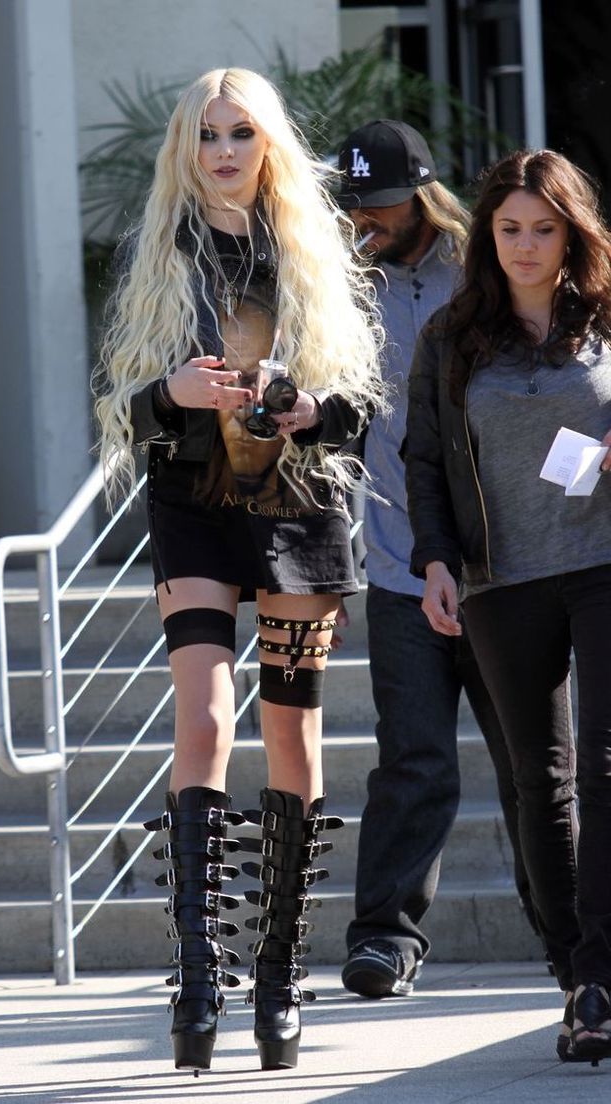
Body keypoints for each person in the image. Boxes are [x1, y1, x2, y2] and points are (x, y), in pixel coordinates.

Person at [95, 68, 383, 1073]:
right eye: (208, 133)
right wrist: (170, 392)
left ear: (268, 146)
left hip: (300, 511)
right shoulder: (163, 254)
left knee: (291, 734)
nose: (223, 149)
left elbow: (357, 404)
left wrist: (309, 408)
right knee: (206, 718)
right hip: (192, 513)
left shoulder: (309, 252)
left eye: (241, 133)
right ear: (188, 146)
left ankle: (277, 977)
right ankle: (196, 973)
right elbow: (127, 415)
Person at [406, 147, 611, 1064]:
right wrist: (437, 560)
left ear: (573, 233)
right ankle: (577, 975)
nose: (527, 247)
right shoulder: (450, 338)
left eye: (544, 229)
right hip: (499, 578)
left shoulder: (608, 320)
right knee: (543, 781)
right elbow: (421, 461)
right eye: (510, 229)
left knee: (604, 770)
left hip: (604, 562)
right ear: (487, 236)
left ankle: (604, 973)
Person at [334, 120, 536, 999]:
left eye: (378, 204)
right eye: (352, 205)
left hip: (506, 565)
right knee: (412, 759)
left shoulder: (486, 269)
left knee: (535, 763)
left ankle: (570, 937)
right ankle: (385, 938)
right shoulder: (334, 289)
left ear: (420, 192)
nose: (362, 220)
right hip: (394, 565)